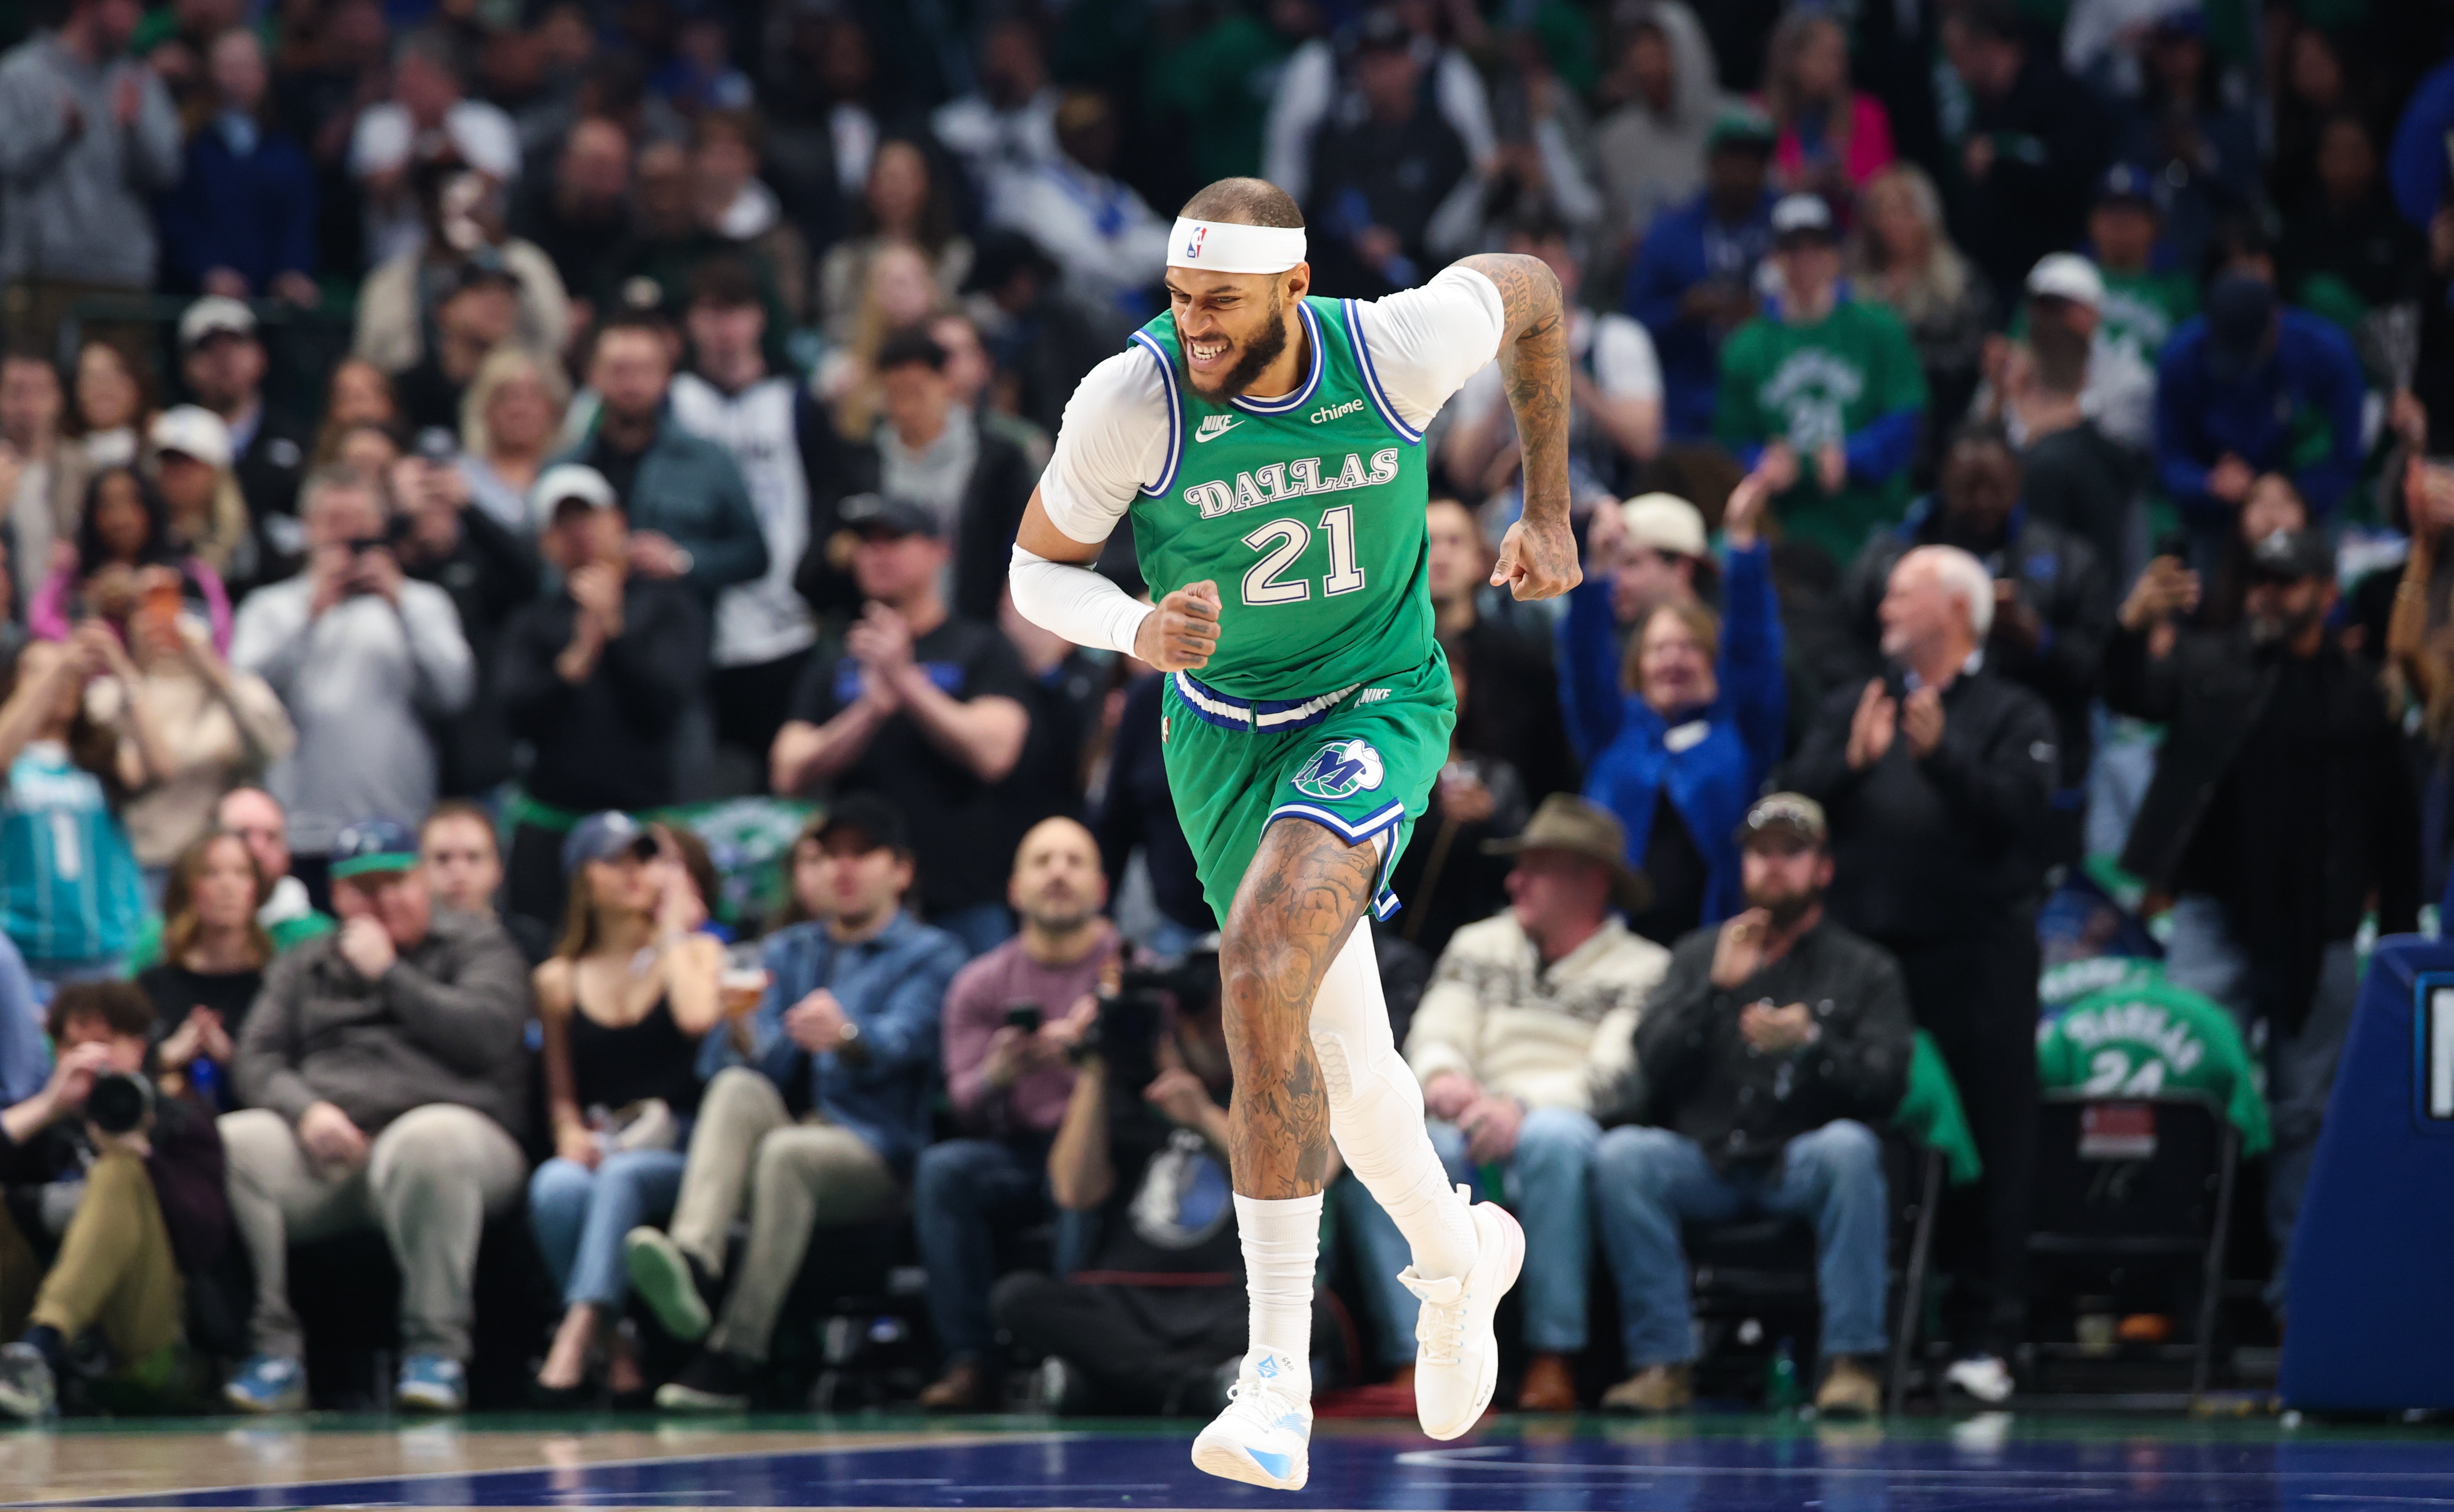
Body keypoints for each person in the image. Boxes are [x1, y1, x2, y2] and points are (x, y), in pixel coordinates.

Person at [1004, 175, 1579, 1484]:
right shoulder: (1131, 398)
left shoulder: (1391, 349)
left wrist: (1547, 506)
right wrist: (1132, 626)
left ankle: (1275, 1381)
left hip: (1375, 701)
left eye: (1220, 299)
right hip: (1220, 734)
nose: (1193, 323)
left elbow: (1537, 295)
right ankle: (1458, 1259)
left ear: (1294, 290)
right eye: (1178, 296)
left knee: (1261, 960)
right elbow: (1036, 570)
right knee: (1348, 1065)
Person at [2103, 528, 2417, 1307]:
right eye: (2259, 582)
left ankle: (2295, 1299)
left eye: (2284, 583)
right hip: (2215, 915)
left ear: (2324, 592)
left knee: (2305, 1117)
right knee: (2183, 1090)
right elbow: (2131, 695)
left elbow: (2396, 827)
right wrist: (2128, 630)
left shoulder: (2360, 694)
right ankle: (2162, 1290)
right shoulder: (2210, 665)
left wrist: (2400, 937)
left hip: (2322, 931)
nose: (2266, 596)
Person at [1782, 544, 2057, 1404]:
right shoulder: (1856, 705)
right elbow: (1785, 807)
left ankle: (1985, 1337)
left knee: (1988, 1145)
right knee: (1855, 1142)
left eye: (1902, 594)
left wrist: (1942, 760)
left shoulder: (2013, 712)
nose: (1882, 607)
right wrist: (1847, 765)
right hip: (1864, 967)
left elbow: (2026, 822)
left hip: (1975, 965)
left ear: (1956, 610)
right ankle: (1848, 1339)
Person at [625, 796, 963, 1412]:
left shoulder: (931, 955)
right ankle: (694, 1260)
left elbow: (908, 1041)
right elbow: (733, 1068)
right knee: (737, 1088)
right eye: (828, 854)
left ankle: (737, 1354)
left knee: (787, 1152)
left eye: (862, 853)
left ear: (901, 870)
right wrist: (740, 1030)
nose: (843, 867)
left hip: (874, 1151)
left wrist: (848, 1034)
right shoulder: (789, 949)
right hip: (785, 1131)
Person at [1589, 792, 1912, 1418]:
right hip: (1706, 1162)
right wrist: (1714, 992)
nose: (1773, 865)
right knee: (1624, 1156)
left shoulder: (1865, 968)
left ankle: (1851, 1365)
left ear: (1823, 868)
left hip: (1798, 1164)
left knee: (1849, 1149)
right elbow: (1649, 1065)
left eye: (1792, 852)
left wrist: (1812, 1042)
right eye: (1761, 853)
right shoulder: (1698, 954)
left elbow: (1887, 1085)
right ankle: (1662, 1365)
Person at [1346, 795, 1663, 1409]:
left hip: (1561, 1123)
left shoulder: (1644, 967)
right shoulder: (1479, 943)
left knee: (1553, 1141)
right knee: (1387, 1150)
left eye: (1536, 867)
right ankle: (1415, 1357)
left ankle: (1552, 1355)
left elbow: (1614, 1075)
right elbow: (1438, 1028)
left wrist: (1518, 1106)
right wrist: (1443, 1075)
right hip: (1465, 1117)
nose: (1514, 881)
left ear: (1592, 880)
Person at [218, 818, 530, 1415]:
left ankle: (435, 1353)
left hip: (459, 1135)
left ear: (421, 882)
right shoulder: (306, 961)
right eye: (364, 889)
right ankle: (274, 1353)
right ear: (338, 897)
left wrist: (390, 974)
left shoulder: (478, 946)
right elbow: (256, 1057)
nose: (383, 900)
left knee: (429, 1141)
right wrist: (307, 1111)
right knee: (233, 1142)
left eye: (395, 883)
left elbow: (486, 1036)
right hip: (332, 1146)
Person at [988, 942, 1253, 1416]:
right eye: (1199, 1013)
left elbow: (1309, 1176)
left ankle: (1115, 1382)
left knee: (1312, 1313)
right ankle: (1197, 1387)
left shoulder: (1270, 1081)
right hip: (1124, 1298)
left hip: (1229, 1296)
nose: (1212, 1026)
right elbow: (1073, 1191)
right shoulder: (1127, 1080)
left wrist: (1203, 1117)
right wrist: (1094, 1068)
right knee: (1018, 1296)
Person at [913, 816, 1119, 1411]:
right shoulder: (980, 982)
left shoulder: (1131, 972)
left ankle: (1075, 1355)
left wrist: (1093, 1055)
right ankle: (969, 1361)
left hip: (1108, 1147)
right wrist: (998, 1074)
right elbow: (963, 1106)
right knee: (943, 1171)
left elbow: (1162, 1082)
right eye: (1042, 861)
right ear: (1014, 888)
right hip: (1017, 1149)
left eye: (1074, 861)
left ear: (1101, 888)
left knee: (1078, 1178)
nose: (1058, 873)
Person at [772, 495, 1033, 958]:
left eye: (893, 539)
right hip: (864, 908)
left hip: (965, 898)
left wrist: (905, 682)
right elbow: (788, 769)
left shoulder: (981, 648)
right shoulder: (835, 660)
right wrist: (869, 711)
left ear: (938, 550)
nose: (876, 553)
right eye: (866, 542)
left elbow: (995, 753)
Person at [1835, 423, 2112, 854]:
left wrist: (2037, 640)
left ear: (2018, 481)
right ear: (1942, 481)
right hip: (1901, 762)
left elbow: (2103, 673)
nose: (1982, 502)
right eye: (1968, 488)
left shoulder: (2068, 562)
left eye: (1996, 488)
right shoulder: (1890, 561)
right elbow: (1844, 645)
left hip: (2031, 762)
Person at [527, 812, 721, 1401]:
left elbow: (696, 1018)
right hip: (605, 1136)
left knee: (621, 1176)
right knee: (556, 1186)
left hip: (681, 1143)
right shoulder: (558, 979)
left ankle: (576, 1333)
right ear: (584, 879)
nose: (634, 872)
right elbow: (561, 1093)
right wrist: (567, 1131)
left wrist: (672, 928)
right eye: (616, 861)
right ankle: (617, 1349)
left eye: (644, 858)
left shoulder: (696, 952)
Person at [229, 469, 474, 899]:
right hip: (300, 827)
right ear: (307, 527)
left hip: (400, 822)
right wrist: (310, 612)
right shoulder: (272, 607)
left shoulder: (422, 602)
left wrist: (399, 602)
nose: (345, 537)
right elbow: (241, 694)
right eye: (332, 522)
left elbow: (454, 692)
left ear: (379, 529)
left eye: (357, 523)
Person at [1563, 473, 1783, 946]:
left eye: (1688, 647)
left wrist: (1743, 547)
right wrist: (1595, 570)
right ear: (1636, 667)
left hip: (1709, 946)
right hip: (1608, 944)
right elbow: (1583, 660)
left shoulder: (1742, 734)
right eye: (1658, 650)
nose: (1672, 660)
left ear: (1713, 662)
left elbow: (1754, 656)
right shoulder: (1611, 729)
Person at [0, 981, 227, 1420]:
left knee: (117, 1171)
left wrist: (145, 1158)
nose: (91, 1058)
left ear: (138, 1048)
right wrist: (47, 1108)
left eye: (104, 1043)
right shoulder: (46, 1123)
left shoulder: (180, 1122)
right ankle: (30, 1358)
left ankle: (41, 1347)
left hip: (147, 1326)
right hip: (29, 1302)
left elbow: (206, 1245)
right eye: (73, 1046)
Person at [497, 464, 709, 927]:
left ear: (619, 523)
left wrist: (613, 633)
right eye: (563, 524)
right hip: (554, 825)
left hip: (643, 822)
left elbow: (667, 704)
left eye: (588, 518)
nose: (578, 533)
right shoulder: (531, 621)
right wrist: (574, 660)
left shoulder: (667, 605)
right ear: (546, 542)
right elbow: (516, 719)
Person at [668, 259, 822, 775]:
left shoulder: (795, 402)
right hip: (696, 627)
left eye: (735, 312)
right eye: (710, 313)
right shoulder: (674, 403)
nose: (724, 329)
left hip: (786, 625)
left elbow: (828, 494)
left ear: (759, 318)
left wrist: (812, 579)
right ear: (691, 322)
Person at [1715, 193, 1927, 567]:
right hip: (1785, 528)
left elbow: (1907, 417)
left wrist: (1853, 457)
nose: (1805, 260)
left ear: (1835, 255)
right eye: (1792, 250)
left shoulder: (1879, 328)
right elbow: (1728, 441)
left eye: (1816, 247)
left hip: (1869, 523)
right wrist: (1760, 462)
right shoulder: (1746, 347)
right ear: (1775, 259)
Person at [801, 327, 1038, 626]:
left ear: (945, 383)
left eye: (916, 392)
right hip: (887, 626)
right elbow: (816, 566)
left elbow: (1026, 546)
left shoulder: (999, 461)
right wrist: (843, 553)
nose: (906, 408)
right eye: (894, 394)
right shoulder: (859, 466)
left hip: (978, 624)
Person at [0, 0, 182, 354]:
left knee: (123, 385)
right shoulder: (22, 74)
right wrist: (57, 131)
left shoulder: (138, 80)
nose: (135, 20)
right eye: (126, 7)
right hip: (44, 270)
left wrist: (133, 130)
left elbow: (169, 172)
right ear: (89, 7)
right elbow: (6, 161)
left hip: (124, 272)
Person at [553, 312, 769, 605]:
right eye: (619, 370)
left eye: (645, 370)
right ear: (592, 375)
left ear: (667, 377)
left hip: (682, 623)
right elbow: (541, 567)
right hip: (587, 622)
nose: (631, 384)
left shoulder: (708, 461)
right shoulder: (565, 470)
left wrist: (683, 560)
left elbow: (755, 554)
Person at [1443, 214, 1662, 502]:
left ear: (1573, 272)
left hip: (1609, 502)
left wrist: (1565, 369)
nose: (1533, 282)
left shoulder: (1616, 338)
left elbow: (1645, 445)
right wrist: (1512, 377)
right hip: (1513, 510)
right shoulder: (1483, 354)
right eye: (1518, 270)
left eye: (1546, 266)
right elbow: (1463, 473)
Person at [2154, 272, 2367, 567]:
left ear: (2273, 326)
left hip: (2307, 505)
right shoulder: (2181, 357)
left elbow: (2345, 459)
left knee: (2309, 568)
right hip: (2215, 514)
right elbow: (2170, 459)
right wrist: (2208, 483)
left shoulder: (2327, 355)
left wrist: (2286, 496)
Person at [0, 631, 161, 987]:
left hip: (104, 953)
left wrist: (124, 670)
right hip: (20, 957)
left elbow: (161, 766)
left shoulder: (98, 756)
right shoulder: (12, 758)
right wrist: (58, 668)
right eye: (39, 672)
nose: (60, 681)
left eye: (70, 674)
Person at [93, 602, 293, 886]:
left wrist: (212, 668)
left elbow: (277, 747)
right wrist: (133, 673)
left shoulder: (233, 689)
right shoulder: (111, 693)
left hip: (211, 862)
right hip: (133, 859)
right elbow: (96, 752)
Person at [1622, 108, 1778, 443]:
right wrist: (1682, 311)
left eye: (1754, 159)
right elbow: (1633, 325)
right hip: (1690, 402)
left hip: (1771, 405)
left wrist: (1766, 311)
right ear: (1712, 162)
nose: (1744, 170)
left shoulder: (1786, 227)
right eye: (1734, 157)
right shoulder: (1670, 233)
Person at [1943, 0, 2109, 300]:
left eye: (1960, 57)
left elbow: (2066, 173)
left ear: (1988, 46)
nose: (1959, 72)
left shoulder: (2059, 97)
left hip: (2049, 270)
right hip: (1995, 273)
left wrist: (2000, 158)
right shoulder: (1985, 106)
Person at [1301, 14, 1473, 301]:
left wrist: (1402, 236)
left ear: (1412, 65)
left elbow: (1459, 212)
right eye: (1372, 62)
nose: (1381, 73)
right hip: (1347, 290)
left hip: (1427, 286)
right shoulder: (1339, 139)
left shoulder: (1442, 139)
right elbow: (1325, 204)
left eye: (1391, 61)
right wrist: (1362, 237)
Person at [154, 28, 316, 304]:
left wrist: (292, 271)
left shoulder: (287, 152)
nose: (238, 78)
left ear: (264, 74)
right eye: (229, 67)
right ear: (210, 74)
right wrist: (205, 270)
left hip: (271, 305)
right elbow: (175, 219)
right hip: (197, 300)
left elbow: (299, 223)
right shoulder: (188, 144)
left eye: (248, 67)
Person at [1850, 165, 1992, 468]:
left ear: (1928, 216)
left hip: (1943, 422)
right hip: (1869, 422)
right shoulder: (1853, 287)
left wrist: (1904, 351)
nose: (1893, 222)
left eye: (1905, 211)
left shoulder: (1960, 282)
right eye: (1883, 212)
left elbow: (1972, 355)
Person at [986, 91, 1169, 319]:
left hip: (1136, 309)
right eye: (1088, 133)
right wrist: (1133, 255)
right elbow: (1093, 265)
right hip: (1080, 317)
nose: (1103, 141)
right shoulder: (1040, 193)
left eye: (1106, 131)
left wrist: (1127, 254)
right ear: (1065, 139)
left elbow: (1169, 246)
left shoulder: (1113, 191)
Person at [348, 29, 519, 269]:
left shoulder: (487, 121)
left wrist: (447, 133)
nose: (412, 85)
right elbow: (383, 196)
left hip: (476, 261)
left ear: (450, 80)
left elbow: (488, 192)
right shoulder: (378, 122)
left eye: (424, 76)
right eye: (407, 76)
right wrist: (418, 144)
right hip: (399, 263)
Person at [32, 465, 232, 654]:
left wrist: (146, 600)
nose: (120, 518)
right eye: (107, 506)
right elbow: (41, 622)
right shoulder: (74, 573)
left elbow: (218, 638)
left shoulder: (190, 573)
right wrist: (93, 608)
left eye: (131, 503)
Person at [137, 829, 269, 1109]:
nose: (227, 886)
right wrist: (164, 1057)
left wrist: (234, 1060)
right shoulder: (152, 985)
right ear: (187, 888)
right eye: (211, 873)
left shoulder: (275, 985)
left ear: (256, 890)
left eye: (241, 873)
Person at [175, 298, 314, 543]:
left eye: (235, 345)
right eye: (208, 349)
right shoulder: (172, 442)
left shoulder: (296, 438)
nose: (223, 360)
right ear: (187, 366)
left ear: (260, 356)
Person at [817, 137, 973, 344]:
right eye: (889, 178)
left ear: (926, 185)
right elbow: (834, 326)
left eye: (906, 178)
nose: (897, 189)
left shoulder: (955, 255)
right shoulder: (843, 260)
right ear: (870, 187)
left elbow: (964, 315)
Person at [1593, 3, 1724, 247]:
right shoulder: (1613, 142)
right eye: (1637, 48)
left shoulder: (1734, 126)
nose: (1645, 61)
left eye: (1657, 48)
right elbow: (1606, 234)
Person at [1760, 10, 1894, 199]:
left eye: (1840, 58)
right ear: (1792, 60)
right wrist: (1794, 184)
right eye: (1823, 57)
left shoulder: (1869, 115)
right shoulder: (1759, 116)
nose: (1836, 69)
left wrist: (1847, 185)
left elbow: (1886, 193)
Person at [454, 344, 566, 534]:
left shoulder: (568, 473)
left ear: (552, 408)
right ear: (486, 409)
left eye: (533, 397)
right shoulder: (461, 479)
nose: (519, 410)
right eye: (505, 397)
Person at [212, 786, 332, 953]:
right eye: (242, 835)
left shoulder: (319, 938)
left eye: (271, 837)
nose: (258, 849)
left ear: (287, 854)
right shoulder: (181, 933)